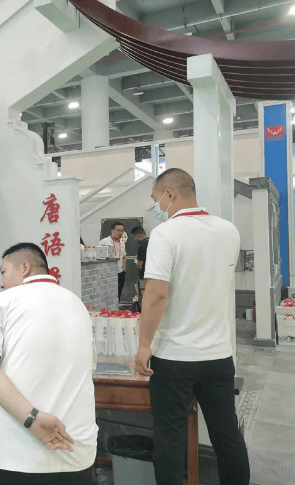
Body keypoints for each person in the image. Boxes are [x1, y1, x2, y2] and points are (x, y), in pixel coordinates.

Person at [135, 168, 250, 485]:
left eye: (156, 198)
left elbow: (157, 294)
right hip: (218, 355)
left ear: (169, 194)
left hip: (174, 357)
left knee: (170, 438)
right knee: (227, 435)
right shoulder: (228, 231)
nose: (157, 206)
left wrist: (144, 346)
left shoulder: (166, 234)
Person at [0, 242, 97, 485]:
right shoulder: (77, 304)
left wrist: (32, 418)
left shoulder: (2, 301)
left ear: (25, 268)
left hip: (17, 456)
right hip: (77, 453)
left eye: (4, 272)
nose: (1, 282)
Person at [99, 222, 126, 299]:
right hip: (108, 273)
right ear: (112, 230)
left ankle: (117, 305)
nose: (120, 233)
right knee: (109, 293)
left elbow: (124, 256)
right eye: (118, 230)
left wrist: (124, 269)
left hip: (120, 272)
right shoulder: (104, 242)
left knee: (119, 292)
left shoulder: (122, 243)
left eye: (122, 231)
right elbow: (99, 257)